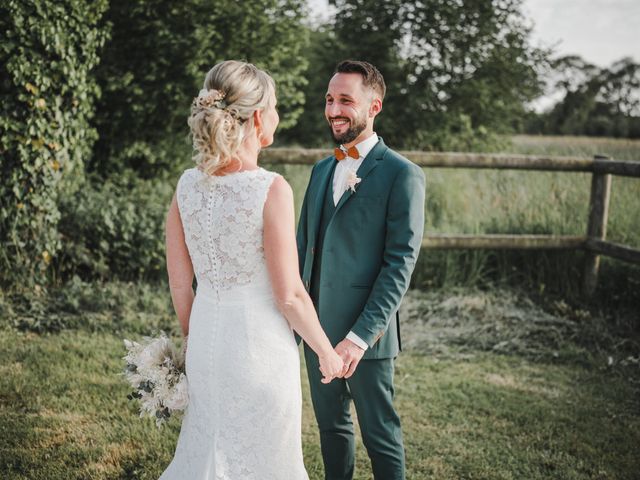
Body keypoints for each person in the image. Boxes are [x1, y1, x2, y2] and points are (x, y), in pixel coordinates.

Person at [160, 60, 344, 480]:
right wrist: (326, 353)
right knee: (263, 460)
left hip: (206, 338)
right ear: (259, 117)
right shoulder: (270, 188)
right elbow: (290, 296)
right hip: (258, 349)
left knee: (208, 448)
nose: (277, 115)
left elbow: (179, 282)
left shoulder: (187, 184)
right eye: (275, 106)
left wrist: (194, 336)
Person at [296, 60, 426, 480]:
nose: (334, 110)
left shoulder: (402, 174)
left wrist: (358, 339)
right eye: (330, 99)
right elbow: (303, 251)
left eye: (345, 100)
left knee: (379, 434)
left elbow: (399, 264)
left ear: (374, 106)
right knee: (332, 431)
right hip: (317, 330)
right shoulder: (320, 170)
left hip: (367, 335)